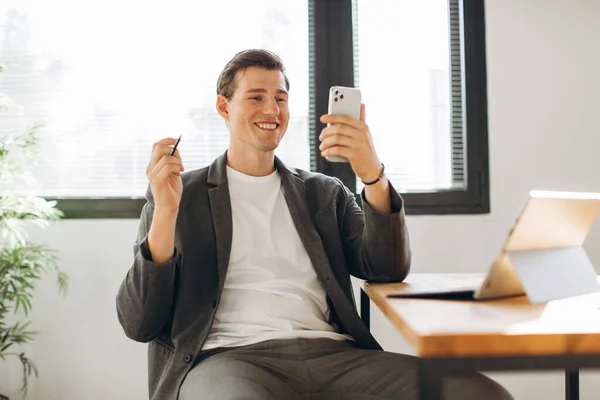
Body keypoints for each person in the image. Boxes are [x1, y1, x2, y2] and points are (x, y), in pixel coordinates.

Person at [116, 49, 513, 400]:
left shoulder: (323, 193)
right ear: (223, 106)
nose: (272, 110)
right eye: (256, 97)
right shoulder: (179, 192)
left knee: (478, 391)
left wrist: (372, 175)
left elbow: (387, 268)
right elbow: (141, 322)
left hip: (334, 356)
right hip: (229, 360)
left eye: (280, 98)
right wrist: (166, 212)